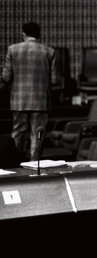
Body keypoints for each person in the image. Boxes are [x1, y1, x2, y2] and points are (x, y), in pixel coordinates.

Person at [1, 22, 57, 161]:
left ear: (23, 34)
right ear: (39, 35)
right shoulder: (49, 51)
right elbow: (54, 80)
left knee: (18, 132)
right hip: (41, 100)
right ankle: (34, 164)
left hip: (19, 100)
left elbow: (6, 77)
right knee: (37, 133)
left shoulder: (13, 49)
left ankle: (14, 161)